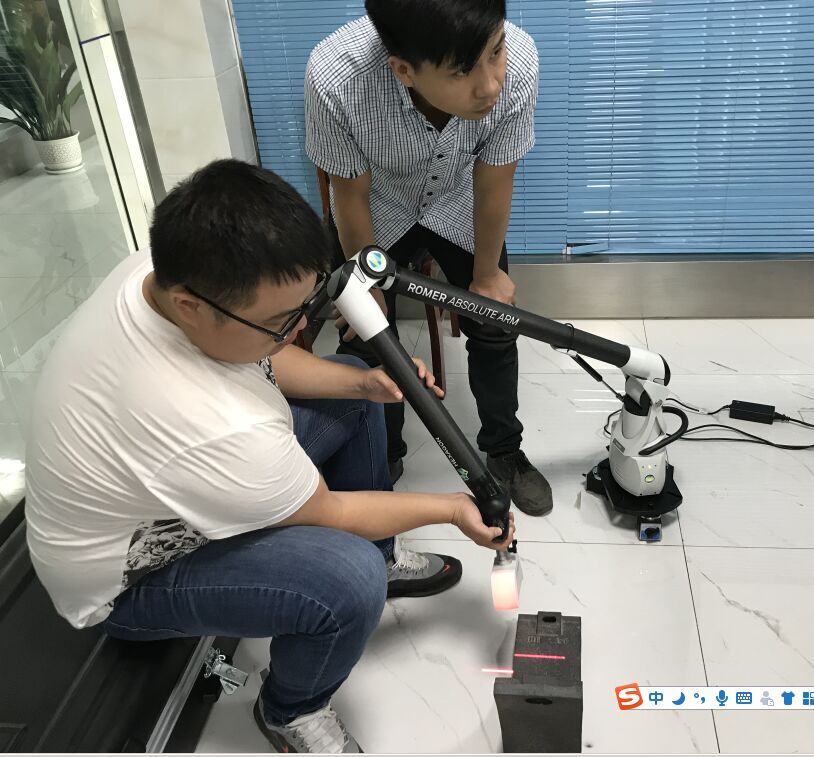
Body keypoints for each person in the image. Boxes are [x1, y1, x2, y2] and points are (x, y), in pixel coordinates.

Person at [24, 160, 515, 754]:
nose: (297, 328)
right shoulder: (207, 421)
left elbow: (260, 353)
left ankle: (384, 558)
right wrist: (453, 508)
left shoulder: (163, 272)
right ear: (189, 306)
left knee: (354, 384)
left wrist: (365, 384)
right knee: (348, 578)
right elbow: (330, 513)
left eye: (304, 306)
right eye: (281, 322)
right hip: (124, 584)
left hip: (165, 490)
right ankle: (291, 710)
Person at [305, 0, 553, 516]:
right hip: (378, 207)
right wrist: (365, 292)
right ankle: (385, 452)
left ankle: (503, 448)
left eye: (496, 53)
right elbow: (349, 194)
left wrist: (487, 274)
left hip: (459, 201)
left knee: (494, 320)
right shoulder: (337, 80)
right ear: (404, 70)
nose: (491, 85)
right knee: (368, 332)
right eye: (463, 71)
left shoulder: (520, 60)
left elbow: (495, 178)